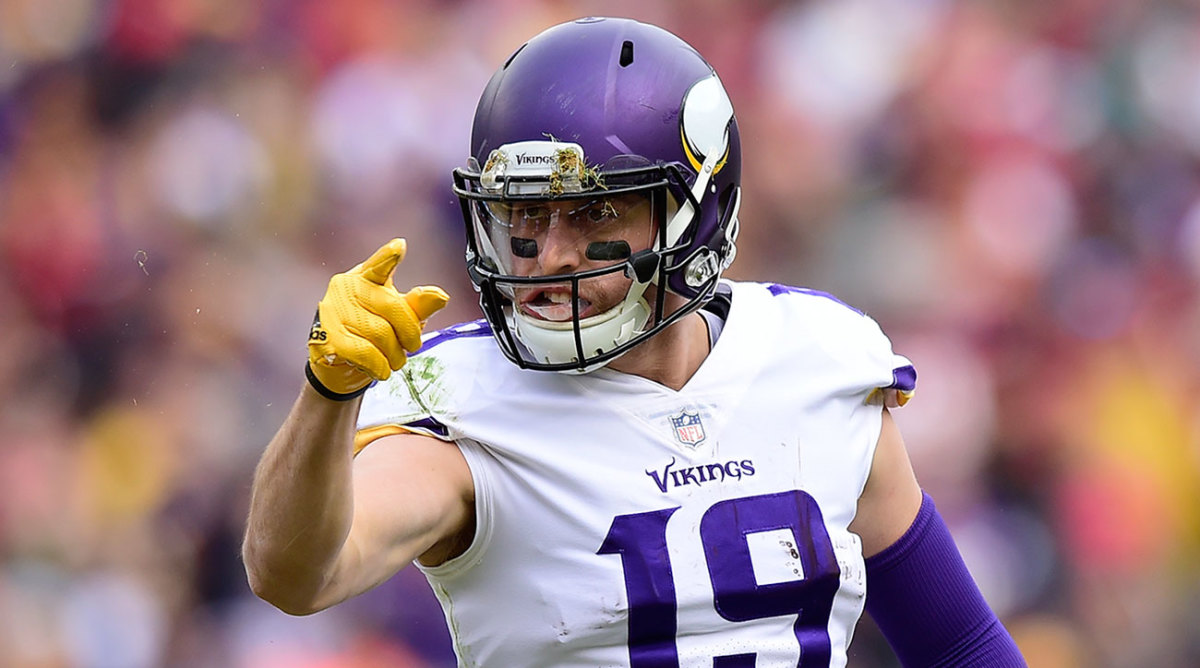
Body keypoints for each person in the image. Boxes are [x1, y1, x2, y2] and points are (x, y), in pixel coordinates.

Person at [242, 16, 1026, 667]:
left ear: (693, 213)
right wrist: (326, 399)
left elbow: (957, 644)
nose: (547, 255)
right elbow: (293, 576)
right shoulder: (463, 410)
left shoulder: (816, 361)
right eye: (524, 218)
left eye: (593, 215)